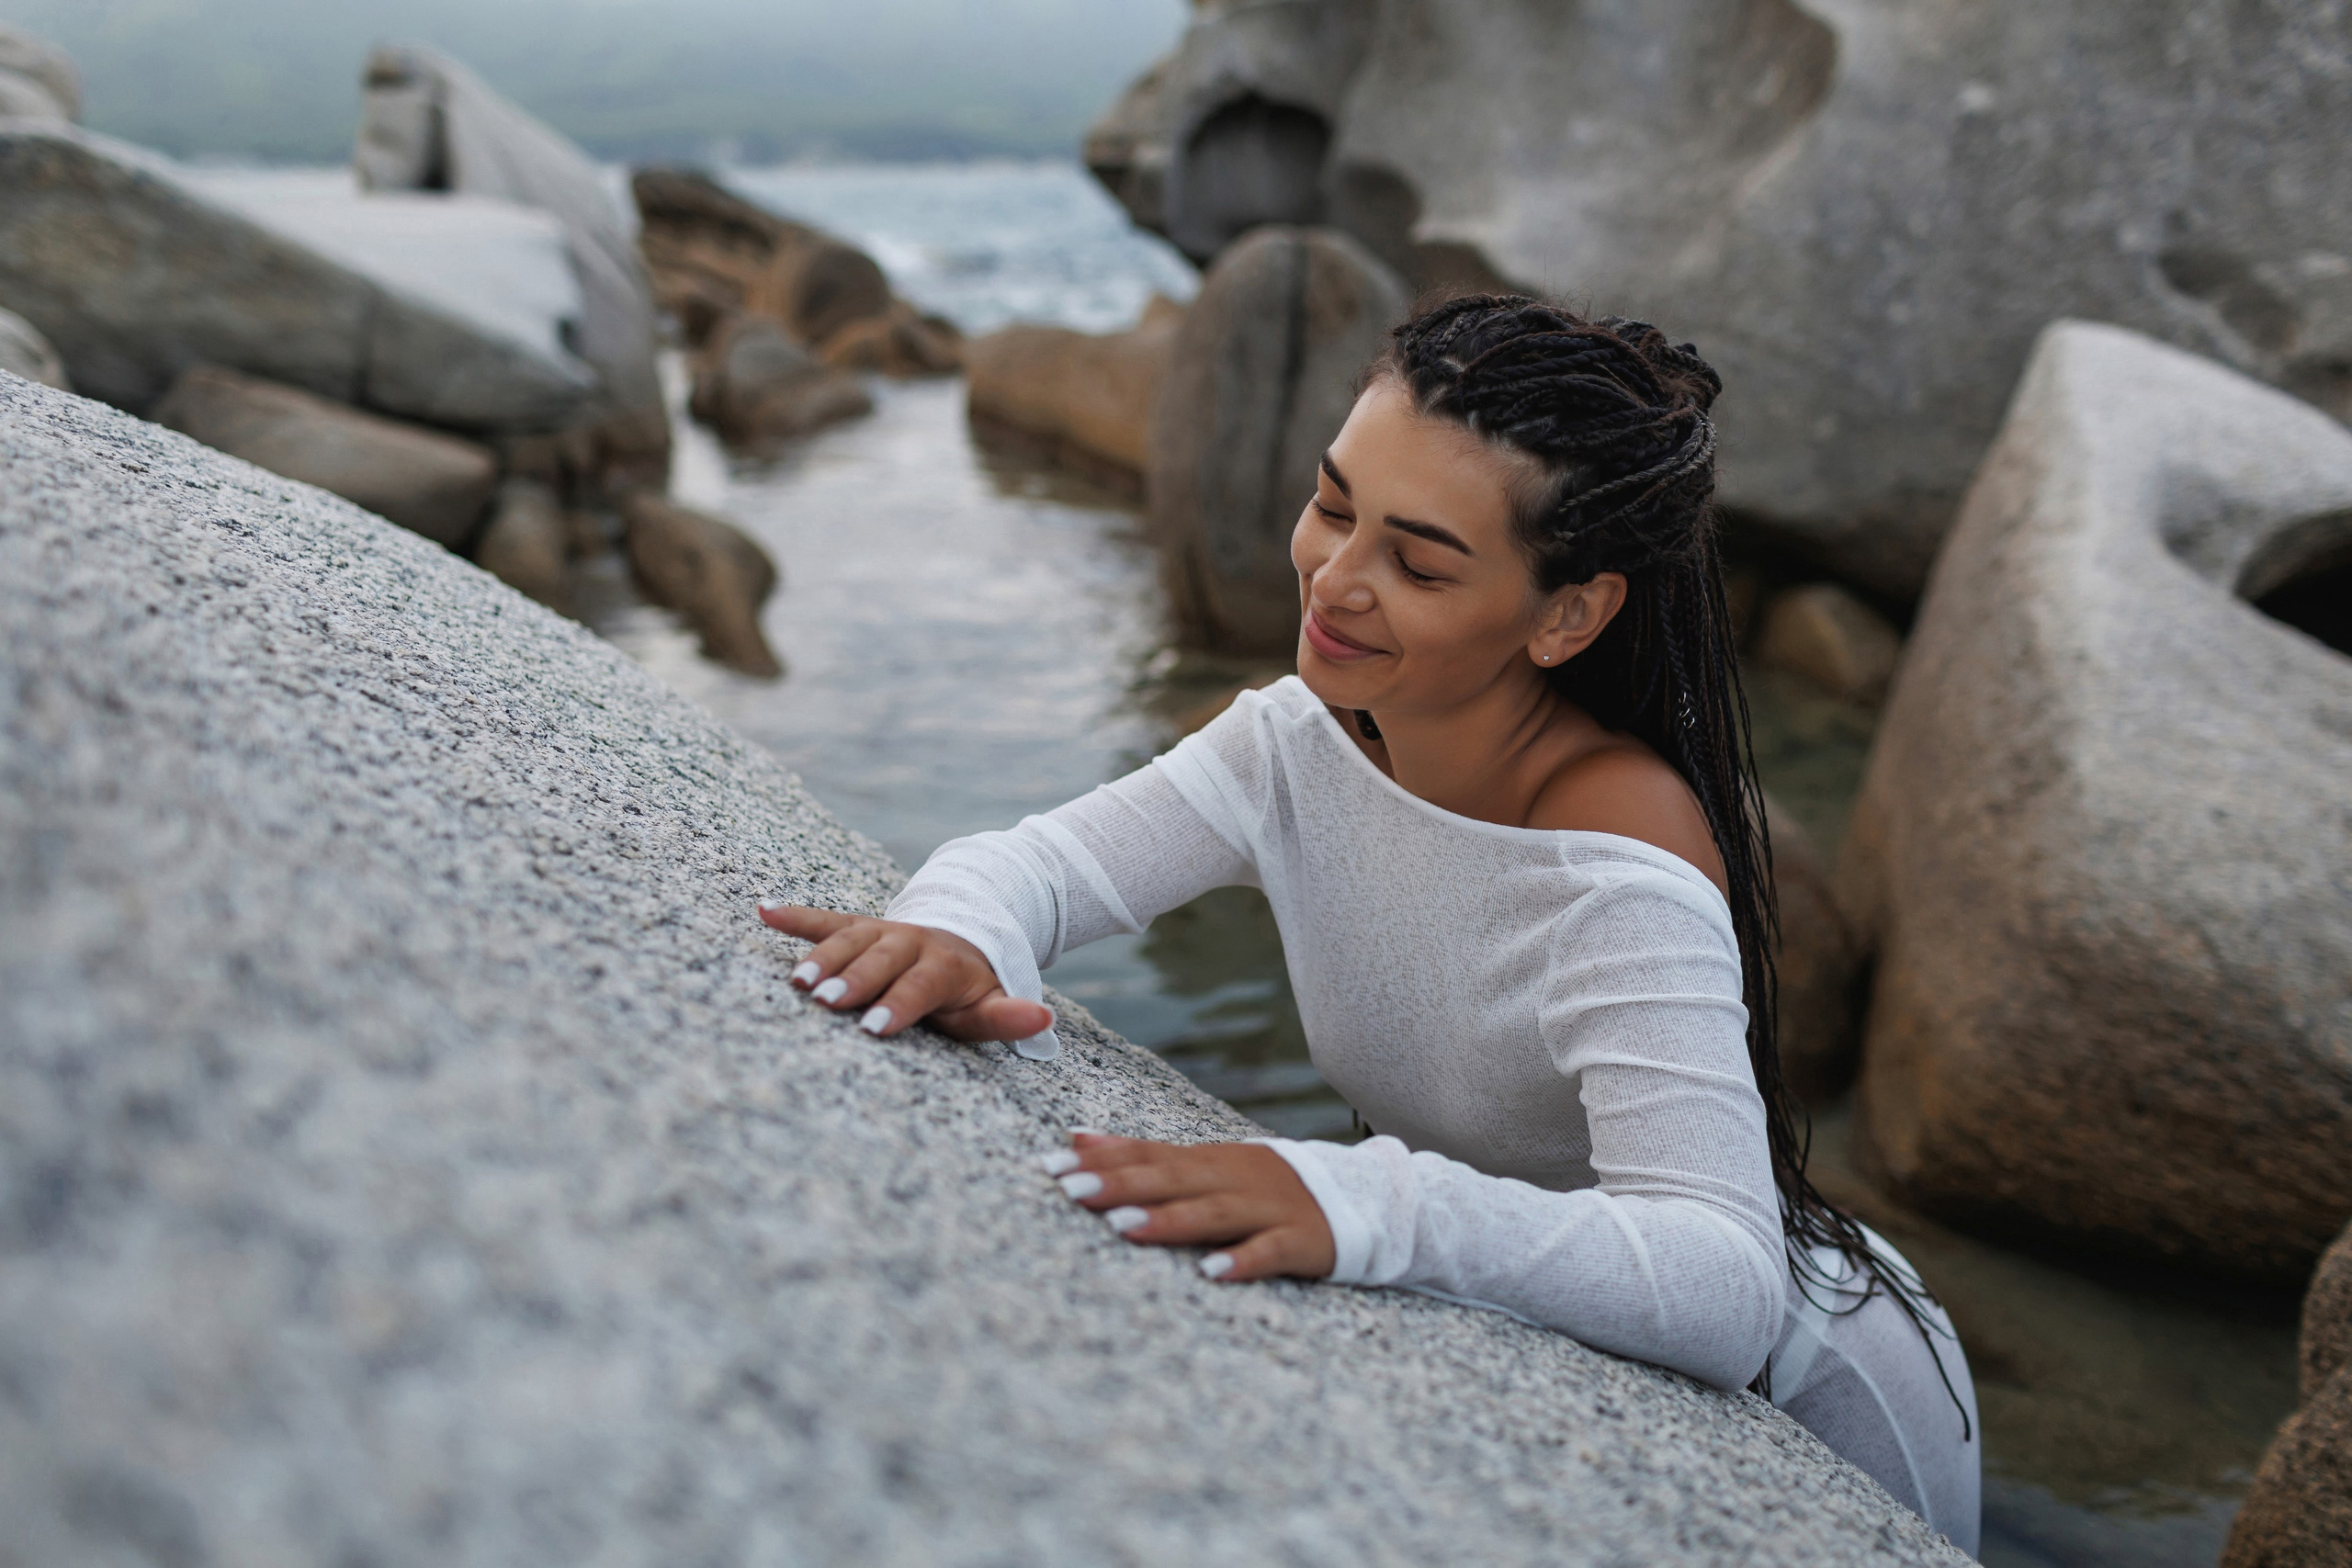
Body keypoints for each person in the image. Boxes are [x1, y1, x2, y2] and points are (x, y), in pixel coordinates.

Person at [760, 295, 1980, 1551]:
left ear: (1568, 614)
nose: (1336, 582)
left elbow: (1721, 1282)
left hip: (1830, 1401)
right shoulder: (1295, 746)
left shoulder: (1617, 866)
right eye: (1334, 506)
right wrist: (962, 932)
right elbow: (1045, 865)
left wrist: (1368, 1203)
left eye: (1421, 563)